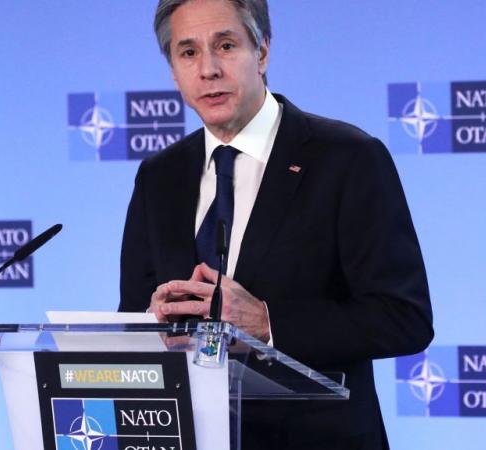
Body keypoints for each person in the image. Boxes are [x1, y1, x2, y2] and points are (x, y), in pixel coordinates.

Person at [118, 0, 434, 448]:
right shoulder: (159, 176)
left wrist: (268, 323)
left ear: (262, 52)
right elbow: (132, 312)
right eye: (187, 52)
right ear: (172, 69)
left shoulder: (347, 158)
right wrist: (153, 324)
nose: (208, 69)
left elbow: (405, 318)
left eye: (225, 45)